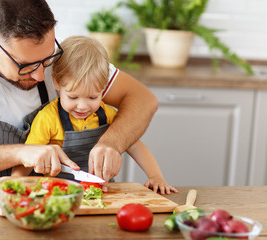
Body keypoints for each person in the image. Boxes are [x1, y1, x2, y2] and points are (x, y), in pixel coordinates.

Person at [0, 0, 158, 188]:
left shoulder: (65, 56)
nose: (41, 75)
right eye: (26, 66)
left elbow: (144, 99)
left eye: (47, 59)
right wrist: (21, 152)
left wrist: (112, 143)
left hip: (50, 200)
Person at [11, 36, 177, 194]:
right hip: (57, 194)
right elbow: (29, 156)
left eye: (93, 97)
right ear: (57, 82)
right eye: (73, 97)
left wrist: (156, 176)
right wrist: (14, 181)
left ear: (104, 87)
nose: (83, 106)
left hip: (101, 193)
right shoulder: (47, 118)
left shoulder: (109, 115)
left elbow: (135, 146)